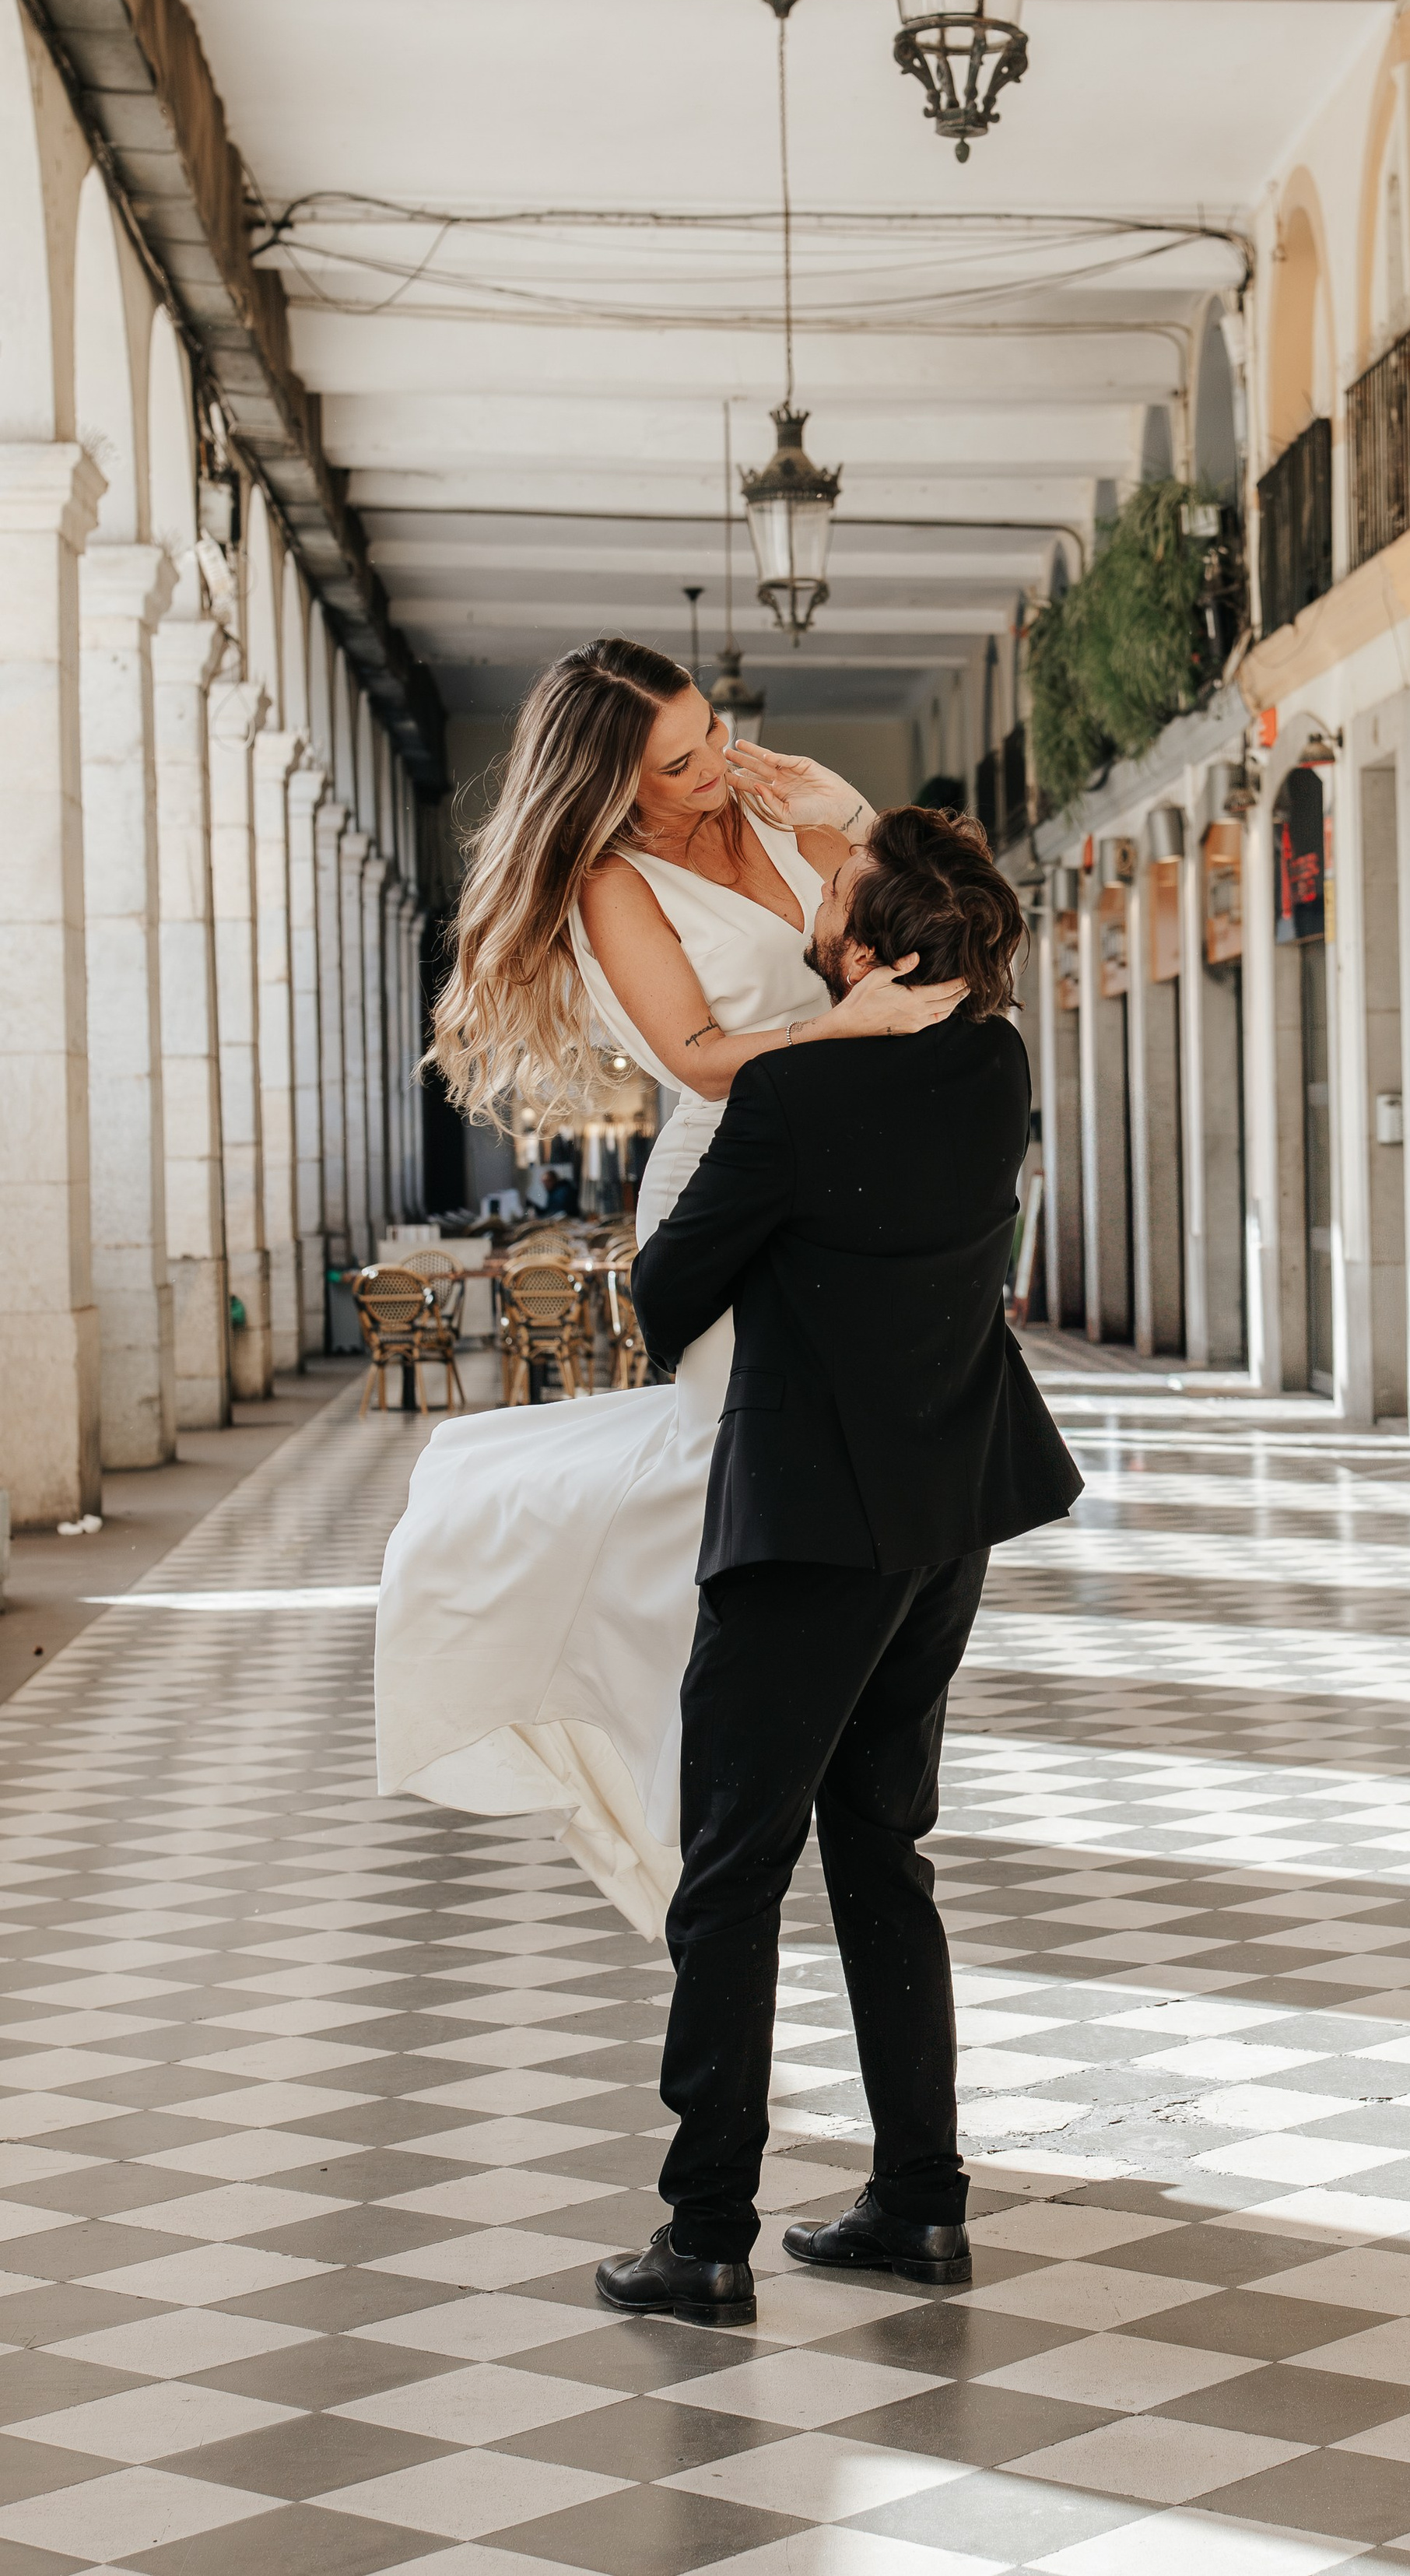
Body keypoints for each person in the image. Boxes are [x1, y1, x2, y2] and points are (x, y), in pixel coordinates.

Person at [374, 639, 961, 1932]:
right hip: (729, 1180)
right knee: (736, 1462)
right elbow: (698, 1057)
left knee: (845, 1451)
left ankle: (836, 1722)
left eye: (711, 735)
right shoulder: (610, 881)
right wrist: (840, 1029)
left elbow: (908, 934)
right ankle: (688, 1757)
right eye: (678, 762)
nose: (713, 768)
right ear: (610, 785)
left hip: (848, 1178)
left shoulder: (777, 806)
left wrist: (852, 815)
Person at [594, 805, 1082, 2328]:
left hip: (809, 1524)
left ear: (865, 954)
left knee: (731, 1872)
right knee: (882, 1854)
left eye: (836, 891)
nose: (813, 893)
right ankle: (918, 2202)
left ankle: (704, 2236)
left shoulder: (795, 1092)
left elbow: (665, 1294)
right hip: (945, 1516)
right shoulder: (996, 1065)